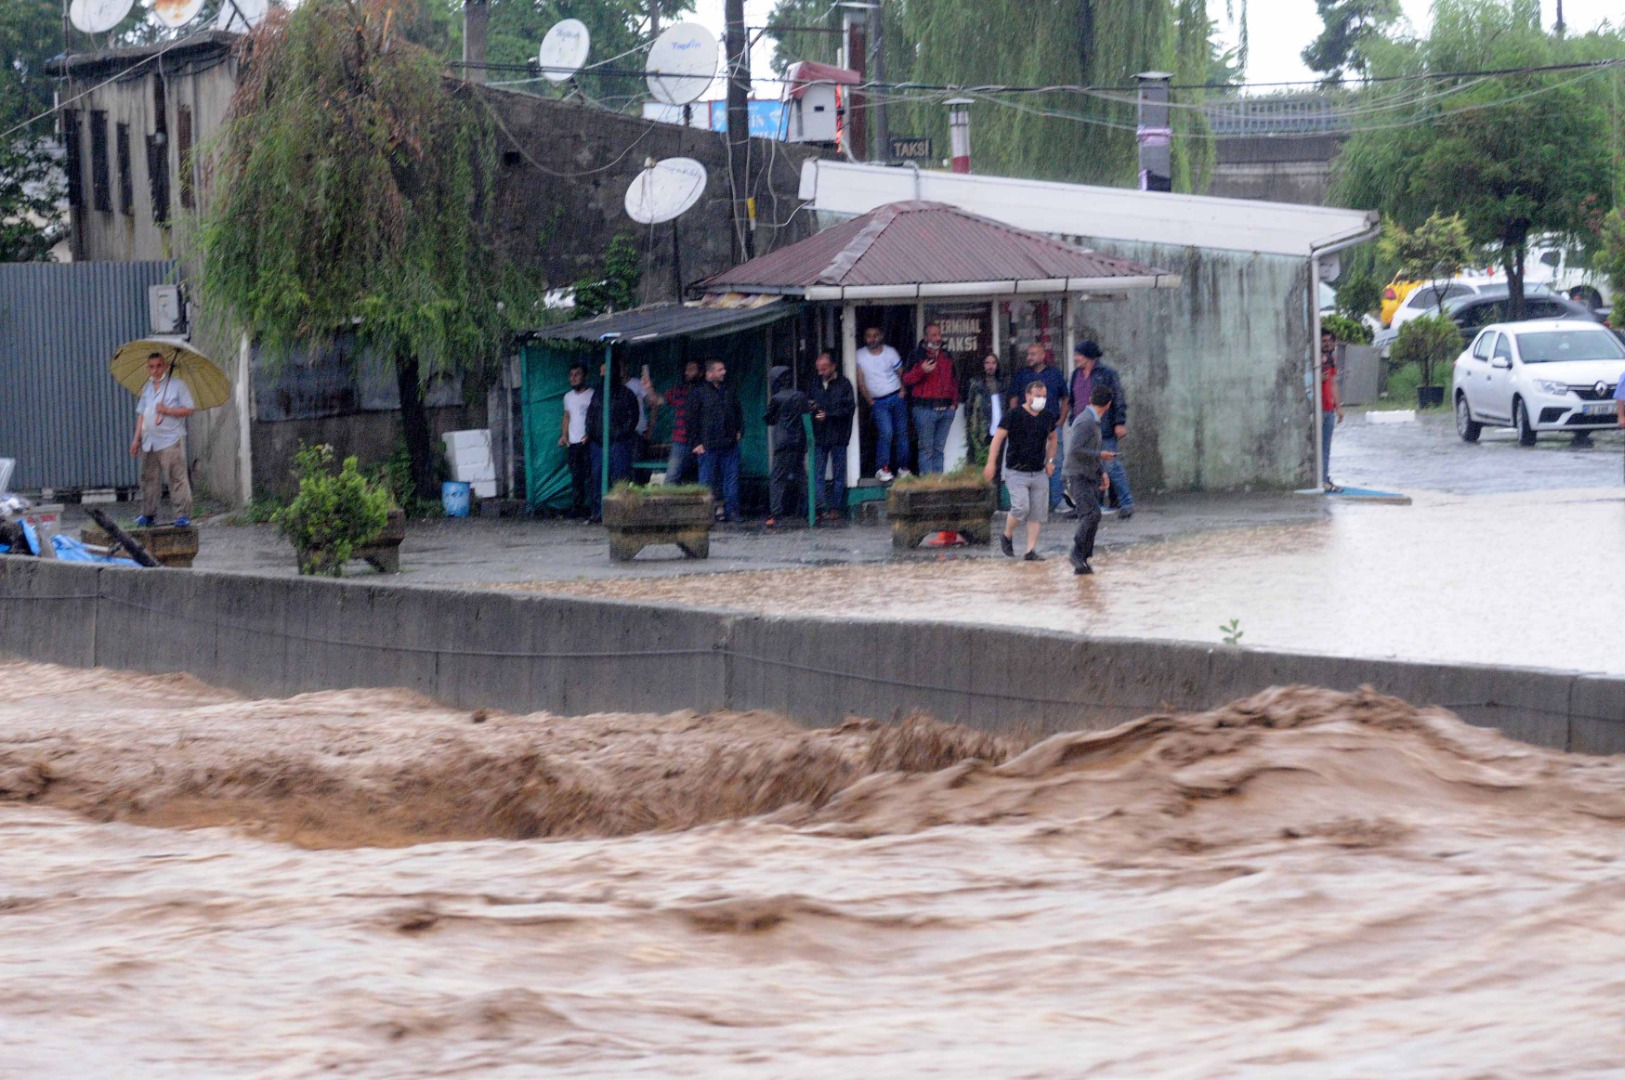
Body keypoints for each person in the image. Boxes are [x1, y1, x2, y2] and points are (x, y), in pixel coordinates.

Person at [982, 379, 1057, 562]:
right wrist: (991, 463)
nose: (1041, 399)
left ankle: (1030, 550)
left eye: (1044, 396)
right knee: (1021, 507)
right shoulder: (1013, 414)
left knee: (1037, 513)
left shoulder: (1047, 416)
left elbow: (1053, 438)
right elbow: (998, 438)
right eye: (1038, 396)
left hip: (1038, 471)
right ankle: (1007, 534)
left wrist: (1051, 460)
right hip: (1016, 471)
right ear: (1028, 396)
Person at [1069, 341, 1133, 520]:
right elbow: (1073, 401)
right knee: (1085, 468)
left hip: (1103, 426)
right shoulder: (1076, 374)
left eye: (1078, 355)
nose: (1075, 358)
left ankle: (1127, 503)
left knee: (1111, 466)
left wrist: (1119, 422)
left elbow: (1118, 398)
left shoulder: (1107, 374)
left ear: (1089, 356)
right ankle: (1089, 504)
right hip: (1082, 427)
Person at [130, 351, 195, 526]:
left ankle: (183, 515)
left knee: (176, 477)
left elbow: (189, 409)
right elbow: (142, 414)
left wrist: (167, 410)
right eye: (152, 367)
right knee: (148, 478)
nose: (155, 370)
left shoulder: (177, 385)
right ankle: (148, 513)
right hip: (149, 440)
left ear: (165, 366)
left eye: (159, 366)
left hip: (169, 440)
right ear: (148, 368)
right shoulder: (147, 388)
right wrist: (136, 439)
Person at [1007, 342, 1069, 511]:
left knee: (1053, 461)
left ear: (1043, 355)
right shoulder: (1021, 375)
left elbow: (1065, 398)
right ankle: (1032, 504)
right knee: (1028, 465)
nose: (1029, 358)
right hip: (1026, 427)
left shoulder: (1054, 374)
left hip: (1051, 426)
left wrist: (1061, 420)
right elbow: (1013, 399)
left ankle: (1056, 501)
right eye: (1028, 354)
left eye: (1033, 354)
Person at [1064, 384, 1117, 576]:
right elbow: (1075, 450)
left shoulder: (1092, 420)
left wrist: (1101, 471)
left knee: (1093, 515)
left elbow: (1088, 449)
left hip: (1089, 475)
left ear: (1091, 399)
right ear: (1109, 404)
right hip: (1077, 476)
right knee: (1091, 515)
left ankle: (1082, 559)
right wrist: (1100, 455)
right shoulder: (1086, 421)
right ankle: (1077, 553)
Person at [689, 358, 744, 522]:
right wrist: (696, 443)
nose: (723, 372)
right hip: (708, 445)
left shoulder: (728, 390)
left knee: (731, 479)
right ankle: (704, 513)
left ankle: (732, 511)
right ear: (709, 373)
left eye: (723, 369)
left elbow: (738, 411)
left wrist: (740, 430)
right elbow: (691, 419)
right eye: (720, 370)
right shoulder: (698, 393)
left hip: (729, 443)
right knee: (706, 481)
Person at [584, 360, 639, 521]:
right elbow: (591, 416)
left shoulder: (626, 394)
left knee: (619, 478)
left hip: (618, 443)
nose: (602, 374)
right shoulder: (598, 394)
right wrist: (593, 434)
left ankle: (621, 513)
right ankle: (599, 513)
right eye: (601, 371)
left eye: (605, 370)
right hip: (598, 443)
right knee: (597, 477)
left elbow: (632, 418)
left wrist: (618, 435)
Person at [902, 323, 960, 474]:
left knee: (939, 450)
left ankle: (938, 486)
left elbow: (954, 381)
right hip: (924, 409)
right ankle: (928, 487)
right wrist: (921, 370)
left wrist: (954, 403)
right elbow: (906, 380)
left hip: (946, 410)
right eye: (934, 335)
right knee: (927, 450)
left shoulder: (946, 355)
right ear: (926, 337)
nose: (938, 338)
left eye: (939, 334)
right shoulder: (916, 355)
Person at [855, 326, 909, 482]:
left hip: (896, 396)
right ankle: (883, 468)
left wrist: (903, 391)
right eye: (869, 336)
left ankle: (903, 468)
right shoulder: (860, 355)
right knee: (886, 433)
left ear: (881, 336)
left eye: (875, 335)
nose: (872, 339)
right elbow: (860, 381)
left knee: (902, 433)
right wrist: (869, 400)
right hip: (878, 401)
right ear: (864, 338)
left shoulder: (890, 352)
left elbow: (902, 373)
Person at [808, 351, 855, 521]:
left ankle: (835, 507)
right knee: (817, 473)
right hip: (820, 435)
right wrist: (813, 409)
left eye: (824, 369)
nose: (820, 373)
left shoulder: (844, 384)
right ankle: (820, 507)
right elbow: (809, 402)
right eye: (819, 369)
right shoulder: (815, 383)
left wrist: (828, 414)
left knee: (838, 474)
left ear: (833, 366)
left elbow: (849, 409)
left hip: (838, 435)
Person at [764, 365, 813, 527]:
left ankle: (775, 513)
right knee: (801, 477)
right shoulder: (800, 396)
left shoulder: (777, 398)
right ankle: (813, 509)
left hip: (783, 443)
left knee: (777, 478)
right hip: (799, 441)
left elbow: (769, 419)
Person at [643, 360, 702, 484]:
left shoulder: (706, 391)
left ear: (701, 373)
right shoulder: (679, 391)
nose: (687, 372)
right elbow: (656, 401)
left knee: (705, 478)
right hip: (681, 441)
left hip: (703, 441)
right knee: (671, 478)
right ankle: (668, 503)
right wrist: (649, 388)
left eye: (691, 369)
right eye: (686, 369)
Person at [558, 363, 594, 519]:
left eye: (577, 374)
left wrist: (591, 434)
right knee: (576, 477)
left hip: (588, 442)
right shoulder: (568, 397)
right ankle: (577, 508)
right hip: (573, 443)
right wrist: (564, 435)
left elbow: (597, 417)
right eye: (571, 375)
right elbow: (566, 416)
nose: (573, 378)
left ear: (584, 376)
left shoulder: (593, 394)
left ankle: (595, 508)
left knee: (591, 476)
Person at [964, 353, 1003, 470]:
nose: (990, 366)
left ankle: (995, 488)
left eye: (993, 363)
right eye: (987, 363)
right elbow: (969, 408)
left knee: (997, 464)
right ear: (982, 365)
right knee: (980, 462)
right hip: (981, 430)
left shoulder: (1002, 383)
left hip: (1000, 429)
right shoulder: (976, 384)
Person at [1319, 329, 1345, 493]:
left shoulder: (1330, 360)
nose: (1327, 344)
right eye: (1324, 341)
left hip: (1328, 408)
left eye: (1330, 341)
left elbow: (1333, 382)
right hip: (1317, 408)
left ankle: (1324, 478)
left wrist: (1338, 407)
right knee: (1317, 446)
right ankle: (1320, 479)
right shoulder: (1314, 359)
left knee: (1326, 447)